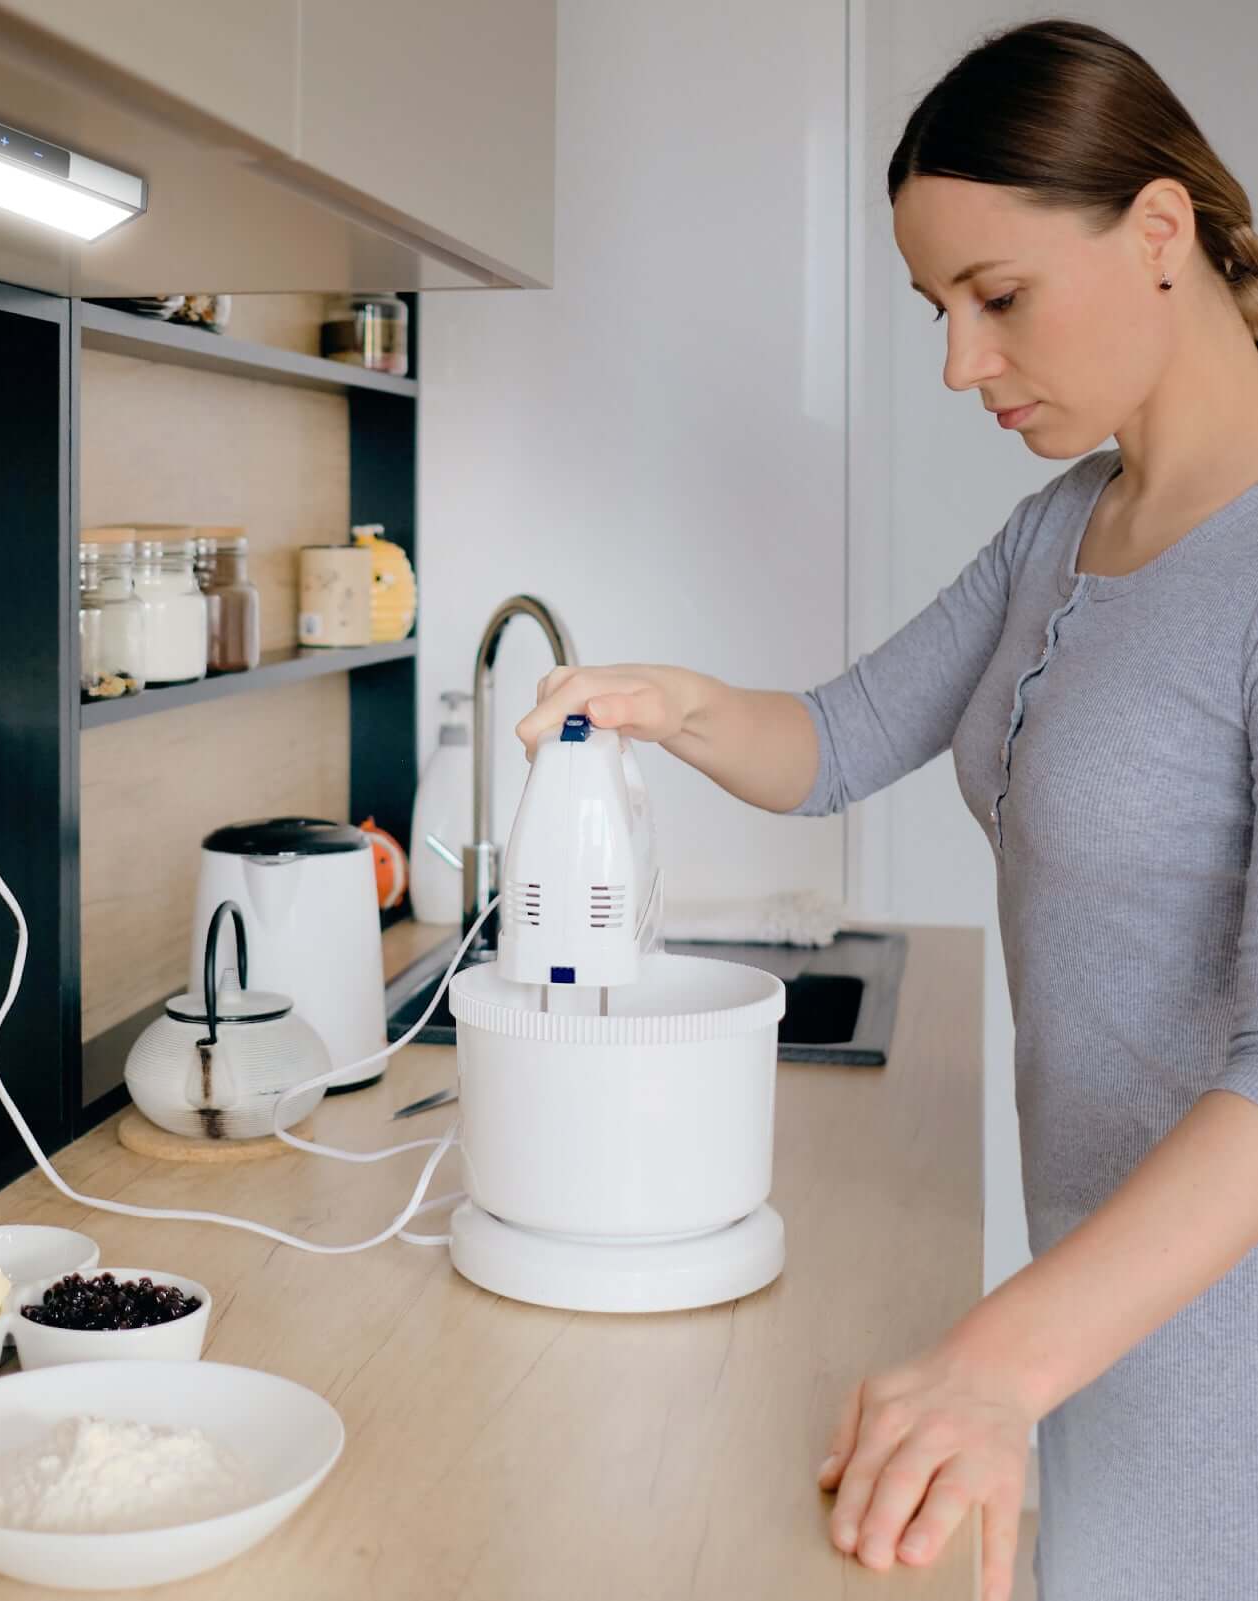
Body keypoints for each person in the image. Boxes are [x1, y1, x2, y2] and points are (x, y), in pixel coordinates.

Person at [516, 18, 1258, 1601]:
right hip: (1093, 1306)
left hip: (1220, 1339)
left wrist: (994, 1359)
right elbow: (843, 737)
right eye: (938, 310)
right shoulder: (1064, 525)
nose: (957, 364)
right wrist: (668, 703)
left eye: (995, 299)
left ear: (1155, 231)